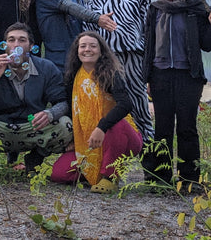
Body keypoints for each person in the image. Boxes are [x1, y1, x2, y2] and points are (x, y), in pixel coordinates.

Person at [143, 0, 211, 185]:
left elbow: (206, 45)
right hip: (160, 75)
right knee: (163, 128)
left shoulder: (195, 7)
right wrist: (147, 77)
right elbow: (149, 44)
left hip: (189, 76)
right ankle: (161, 178)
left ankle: (189, 179)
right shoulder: (155, 8)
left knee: (187, 127)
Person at [0, 23, 73, 173]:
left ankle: (35, 158)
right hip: (0, 127)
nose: (16, 45)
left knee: (65, 125)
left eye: (22, 40)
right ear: (5, 46)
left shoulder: (46, 68)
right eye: (11, 40)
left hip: (32, 127)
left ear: (31, 46)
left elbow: (62, 102)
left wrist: (50, 114)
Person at [51, 32, 143, 194]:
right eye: (83, 46)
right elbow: (73, 110)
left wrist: (101, 127)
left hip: (121, 136)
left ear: (101, 51)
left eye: (93, 46)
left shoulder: (110, 74)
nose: (88, 50)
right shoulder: (73, 77)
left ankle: (110, 177)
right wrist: (73, 139)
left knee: (116, 125)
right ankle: (93, 172)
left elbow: (126, 105)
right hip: (89, 141)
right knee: (58, 174)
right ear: (76, 51)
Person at [84, 0, 154, 143]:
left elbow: (148, 22)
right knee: (108, 106)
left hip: (133, 55)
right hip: (107, 59)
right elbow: (88, 26)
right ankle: (108, 159)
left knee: (139, 103)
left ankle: (149, 151)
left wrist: (149, 53)